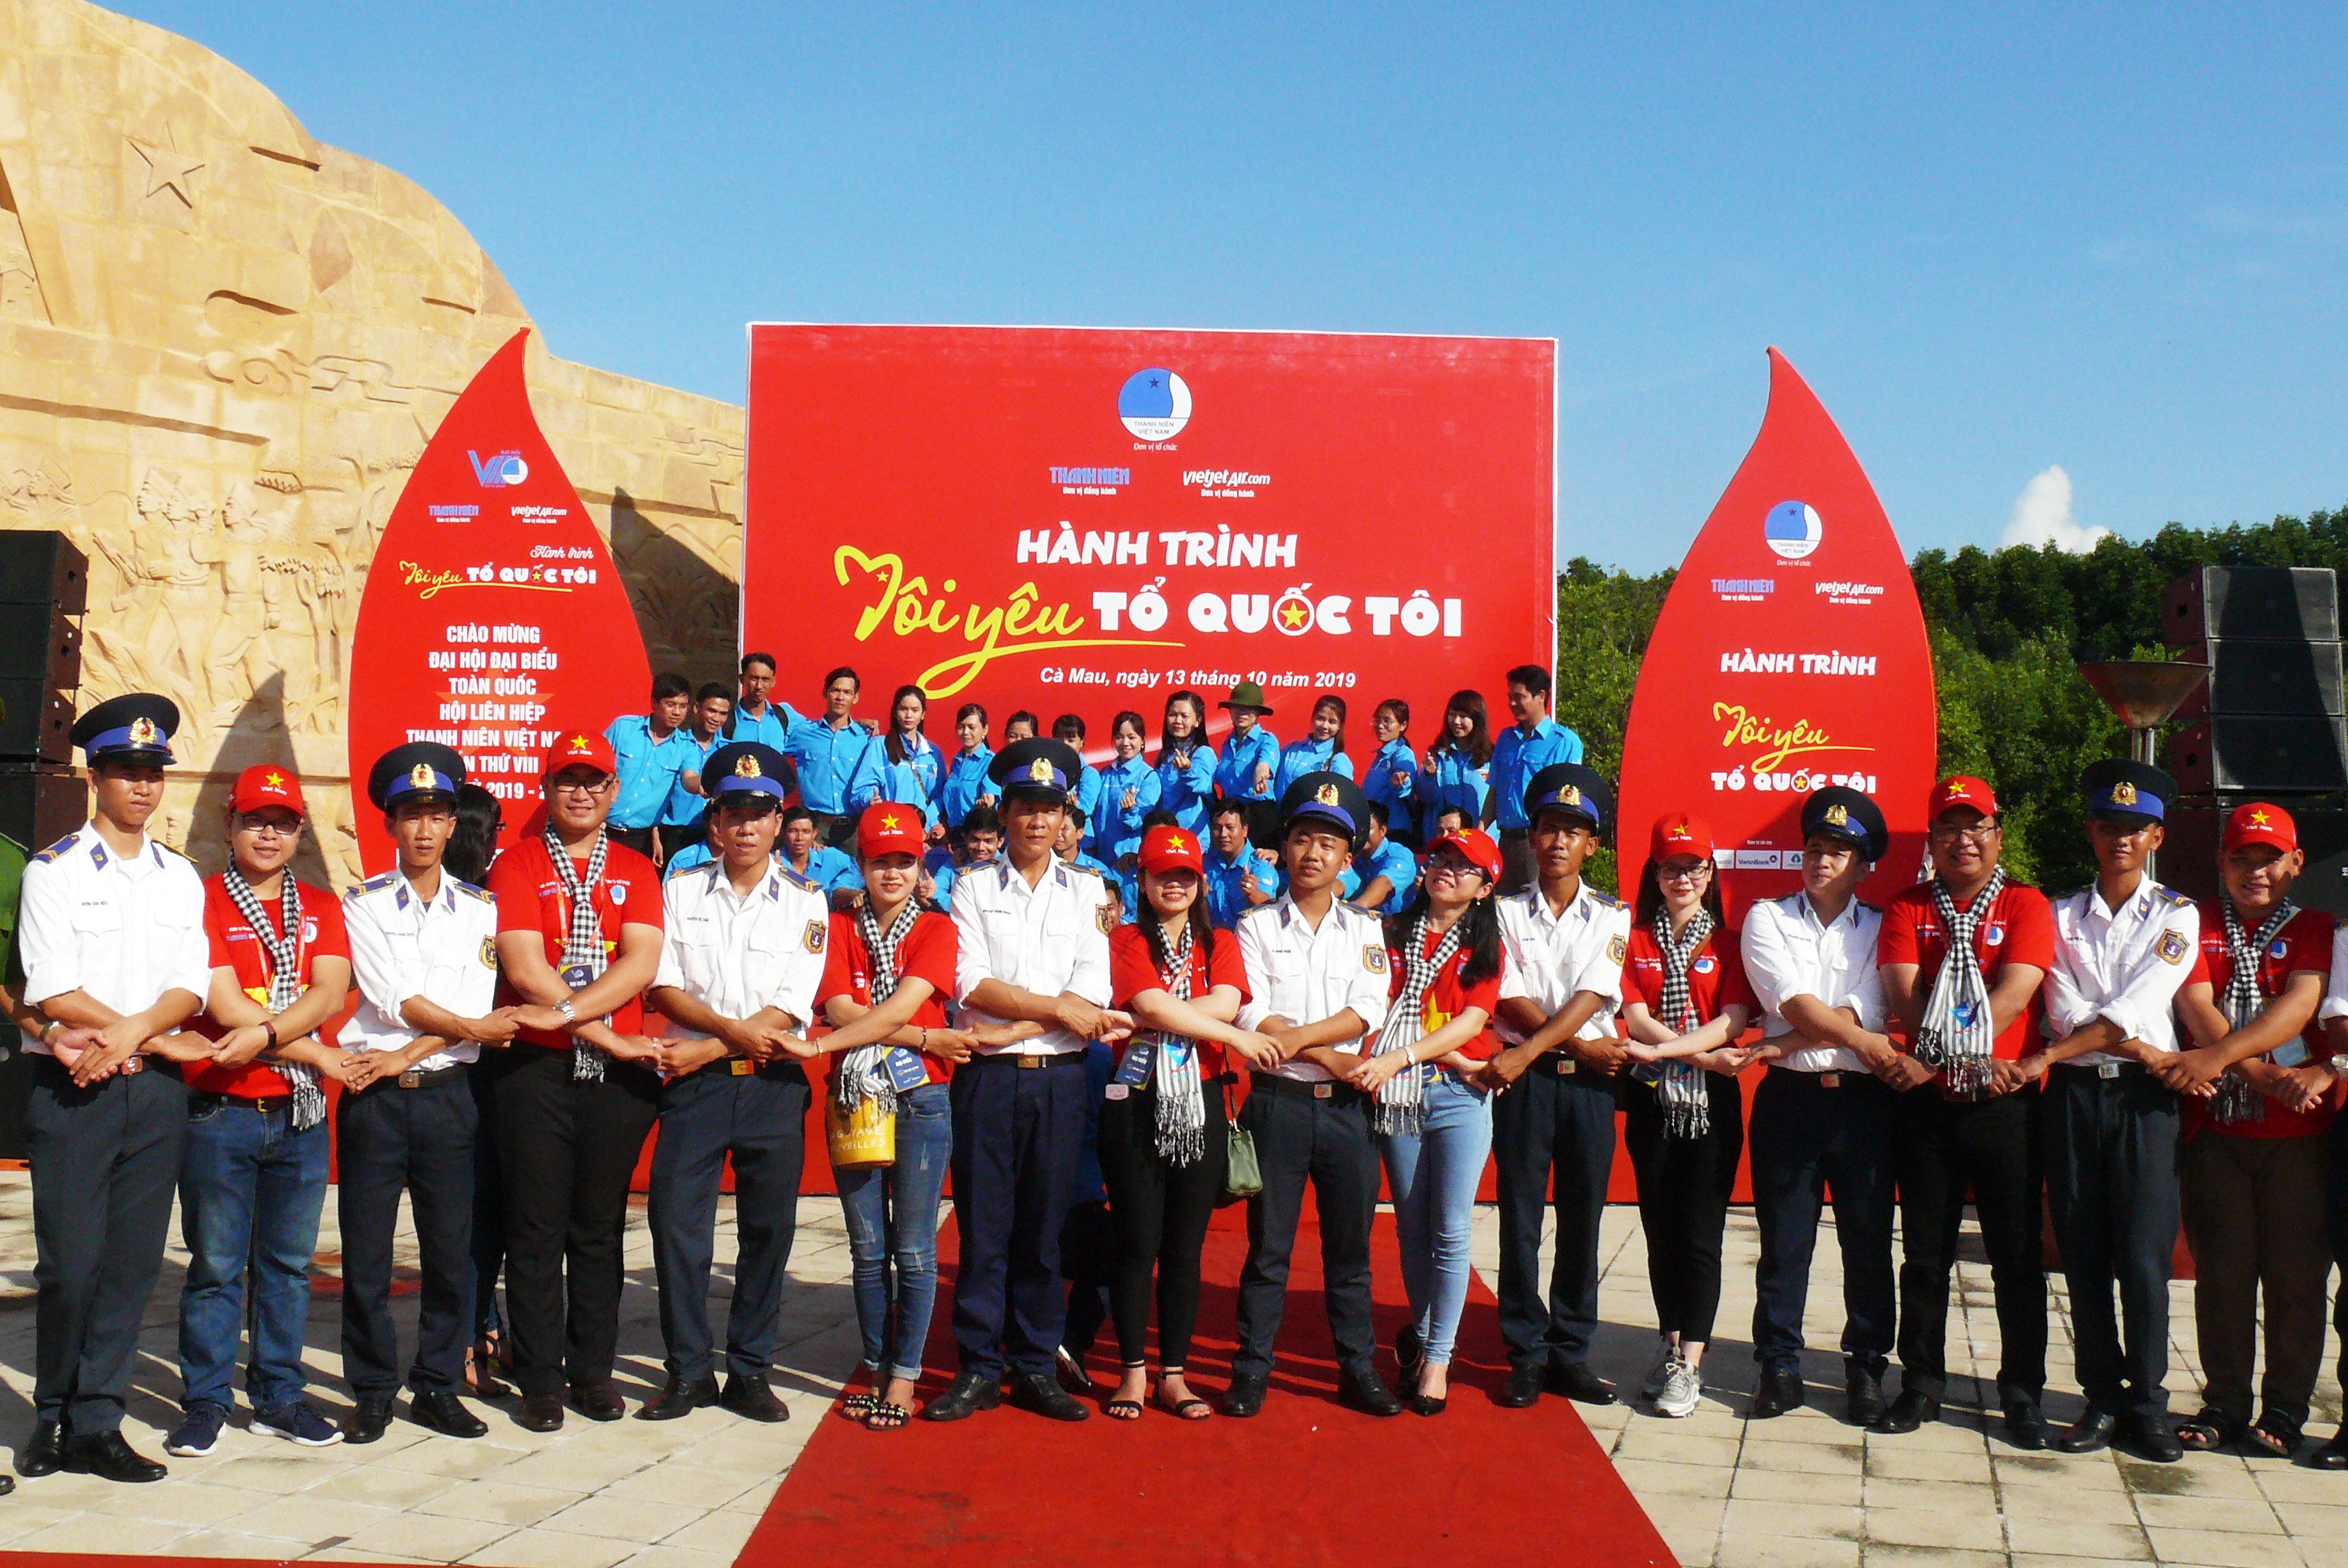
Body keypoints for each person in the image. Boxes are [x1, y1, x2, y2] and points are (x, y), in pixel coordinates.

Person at [18, 694, 213, 1484]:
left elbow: (189, 987)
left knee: (132, 1267)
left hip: (154, 1094)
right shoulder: (54, 871)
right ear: (96, 777)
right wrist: (141, 1036)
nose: (142, 786)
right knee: (70, 1265)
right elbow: (53, 990)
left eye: (153, 772)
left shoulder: (180, 877)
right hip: (76, 1093)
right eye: (127, 771)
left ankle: (98, 1420)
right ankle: (52, 1413)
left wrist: (136, 1038)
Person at [929, 736, 1129, 1422]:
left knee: (1044, 1230)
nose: (1038, 821)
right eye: (1025, 807)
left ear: (1066, 817)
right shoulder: (973, 885)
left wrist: (1037, 1017)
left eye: (1050, 809)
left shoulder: (1089, 891)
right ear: (1005, 812)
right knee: (984, 1228)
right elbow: (971, 984)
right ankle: (979, 1367)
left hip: (1061, 1080)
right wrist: (1053, 1010)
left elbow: (1093, 990)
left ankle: (1037, 1364)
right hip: (988, 1080)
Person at [166, 765, 354, 1458]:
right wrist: (311, 1049)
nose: (269, 835)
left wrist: (271, 1036)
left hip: (299, 1114)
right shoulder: (203, 900)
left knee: (288, 1265)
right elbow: (222, 1004)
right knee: (216, 1264)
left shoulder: (322, 906)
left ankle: (279, 1396)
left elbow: (328, 991)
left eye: (282, 823)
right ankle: (206, 1401)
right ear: (230, 826)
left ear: (300, 832)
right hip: (223, 1109)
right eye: (255, 821)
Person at [640, 742, 828, 1423]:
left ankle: (750, 1370)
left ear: (780, 822)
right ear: (714, 822)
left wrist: (710, 1047)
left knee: (767, 1233)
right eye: (733, 813)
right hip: (696, 1091)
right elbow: (664, 988)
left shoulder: (807, 901)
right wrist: (718, 1043)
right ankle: (688, 1372)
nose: (746, 827)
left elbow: (791, 1004)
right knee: (677, 1227)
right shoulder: (681, 890)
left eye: (760, 814)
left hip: (770, 1084)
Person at [488, 730, 668, 1430]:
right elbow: (524, 966)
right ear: (547, 789)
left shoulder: (635, 867)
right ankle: (539, 1377)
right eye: (568, 780)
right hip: (537, 1069)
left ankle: (592, 1371)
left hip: (613, 1081)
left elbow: (640, 963)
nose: (583, 793)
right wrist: (605, 1033)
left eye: (595, 781)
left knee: (598, 1228)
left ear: (614, 791)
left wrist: (569, 1015)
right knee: (535, 1228)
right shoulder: (517, 864)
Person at [337, 743, 512, 1444]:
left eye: (436, 815)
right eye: (411, 815)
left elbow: (469, 1003)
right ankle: (372, 1390)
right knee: (366, 1256)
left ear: (451, 825)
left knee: (449, 1251)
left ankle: (437, 1384)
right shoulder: (364, 904)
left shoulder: (481, 909)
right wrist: (468, 1030)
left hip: (447, 1094)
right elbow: (396, 997)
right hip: (374, 1101)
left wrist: (405, 1055)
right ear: (391, 823)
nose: (423, 829)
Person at [1875, 776, 2056, 1446]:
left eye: (1975, 827)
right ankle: (1922, 1383)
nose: (1963, 841)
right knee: (1925, 1255)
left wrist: (1936, 1057)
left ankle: (2022, 1392)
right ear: (1932, 841)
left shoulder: (2026, 903)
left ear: (1997, 835)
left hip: (2004, 1106)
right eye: (1948, 829)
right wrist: (1947, 1065)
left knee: (2017, 1258)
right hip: (1929, 1108)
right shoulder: (1908, 906)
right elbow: (1905, 997)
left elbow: (2013, 997)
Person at [2026, 759, 2197, 1462]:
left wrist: (2109, 1042)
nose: (2120, 839)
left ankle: (2148, 1405)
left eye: (2134, 828)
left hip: (2143, 1103)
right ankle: (2100, 1397)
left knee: (2145, 1258)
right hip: (2075, 1098)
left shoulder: (2177, 914)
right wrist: (2138, 1044)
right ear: (2090, 832)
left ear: (2156, 837)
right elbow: (2062, 1007)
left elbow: (2138, 1002)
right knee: (2084, 1253)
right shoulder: (2058, 913)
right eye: (2107, 826)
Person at [1225, 771, 1401, 1420]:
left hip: (1347, 1111)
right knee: (1268, 1250)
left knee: (1350, 1253)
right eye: (1302, 839)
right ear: (1284, 848)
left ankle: (1358, 1370)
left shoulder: (1364, 929)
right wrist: (1327, 1054)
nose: (1312, 854)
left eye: (1328, 844)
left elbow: (1368, 1008)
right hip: (1279, 1104)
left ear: (1347, 860)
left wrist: (1304, 1042)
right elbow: (1252, 1014)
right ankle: (1251, 1371)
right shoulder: (1254, 925)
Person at [2162, 802, 2334, 1459]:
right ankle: (2226, 1402)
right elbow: (2193, 1001)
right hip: (2219, 1131)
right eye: (2242, 858)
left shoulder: (2316, 925)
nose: (2255, 872)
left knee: (2296, 1280)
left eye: (2270, 859)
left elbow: (2300, 1005)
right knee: (2223, 1276)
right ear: (2221, 862)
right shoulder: (2196, 920)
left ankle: (2286, 1409)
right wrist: (2256, 1073)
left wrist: (2225, 1061)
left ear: (2296, 863)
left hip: (2299, 1134)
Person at [1100, 824, 1277, 1420]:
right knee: (1136, 1242)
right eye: (1161, 875)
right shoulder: (1126, 939)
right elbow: (1148, 1003)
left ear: (1200, 883)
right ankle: (1131, 1372)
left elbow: (1224, 1002)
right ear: (1143, 881)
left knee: (1184, 1246)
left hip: (1201, 1103)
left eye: (1184, 875)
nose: (1173, 885)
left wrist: (1158, 1017)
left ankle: (1173, 1375)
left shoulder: (1218, 941)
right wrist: (1230, 1037)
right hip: (1135, 1101)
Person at [815, 802, 980, 1429]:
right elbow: (836, 1008)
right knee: (866, 1249)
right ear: (861, 863)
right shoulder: (838, 925)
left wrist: (886, 1028)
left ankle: (905, 1373)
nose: (892, 873)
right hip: (854, 1092)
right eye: (881, 860)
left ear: (921, 868)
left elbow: (902, 1003)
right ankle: (874, 1364)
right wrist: (926, 1038)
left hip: (921, 1099)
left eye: (905, 861)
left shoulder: (937, 929)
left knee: (912, 1250)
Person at [1739, 786, 1901, 1426]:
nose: (1822, 860)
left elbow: (1875, 1006)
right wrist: (1857, 1039)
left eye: (1838, 852)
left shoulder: (1884, 927)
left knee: (1868, 1243)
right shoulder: (1768, 918)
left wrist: (1790, 1039)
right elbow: (1793, 1003)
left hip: (1864, 1104)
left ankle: (1866, 1369)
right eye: (1813, 848)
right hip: (1792, 1101)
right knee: (1785, 1242)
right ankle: (1779, 1367)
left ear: (1863, 866)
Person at [1479, 763, 1628, 1409]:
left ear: (1592, 845)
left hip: (1586, 1086)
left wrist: (1543, 1049)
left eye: (1573, 831)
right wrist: (1574, 1046)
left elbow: (1595, 993)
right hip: (1529, 1084)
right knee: (1519, 1216)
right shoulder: (1502, 911)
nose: (1559, 842)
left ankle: (1571, 1351)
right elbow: (1508, 996)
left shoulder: (1612, 914)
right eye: (1548, 828)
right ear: (1532, 837)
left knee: (1582, 1218)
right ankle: (1525, 1353)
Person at [1355, 828, 1504, 1417]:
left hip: (1460, 1098)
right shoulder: (1391, 933)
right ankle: (1421, 1338)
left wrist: (1410, 1055)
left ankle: (1438, 1358)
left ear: (1484, 888)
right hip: (1401, 1094)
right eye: (1441, 859)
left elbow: (1472, 1021)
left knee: (1450, 1228)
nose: (1447, 870)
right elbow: (1377, 1010)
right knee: (1412, 1227)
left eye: (1463, 867)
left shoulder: (1486, 947)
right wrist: (1425, 1059)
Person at [1617, 813, 1755, 1420]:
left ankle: (1691, 1363)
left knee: (1700, 1236)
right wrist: (1697, 1057)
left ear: (1710, 872)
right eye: (1671, 867)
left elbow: (1733, 1021)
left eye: (1694, 868)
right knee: (1660, 1230)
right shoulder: (1635, 939)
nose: (1683, 878)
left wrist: (1670, 1053)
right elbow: (1635, 1016)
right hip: (1652, 1101)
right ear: (1655, 873)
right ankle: (1670, 1346)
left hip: (1710, 1109)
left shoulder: (1728, 942)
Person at [445, 784, 514, 1400]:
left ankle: (482, 1327)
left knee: (478, 1212)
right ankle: (473, 1335)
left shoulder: (487, 895)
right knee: (481, 1214)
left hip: (480, 1066)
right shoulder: (483, 899)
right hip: (477, 1065)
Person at [1485, 666, 1584, 892]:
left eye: (1519, 697)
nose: (1512, 704)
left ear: (1541, 696)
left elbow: (1564, 802)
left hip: (1537, 843)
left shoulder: (1564, 741)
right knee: (1503, 906)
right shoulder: (1506, 739)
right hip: (1505, 842)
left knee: (1538, 903)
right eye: (1510, 697)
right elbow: (1494, 791)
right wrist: (1480, 832)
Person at [787, 666, 886, 846]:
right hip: (814, 828)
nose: (841, 697)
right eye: (836, 690)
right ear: (825, 693)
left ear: (855, 698)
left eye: (847, 693)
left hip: (853, 829)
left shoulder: (866, 739)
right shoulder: (802, 734)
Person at [605, 672, 698, 860]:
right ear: (654, 703)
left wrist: (704, 787)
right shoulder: (623, 728)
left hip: (641, 840)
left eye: (683, 706)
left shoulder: (687, 747)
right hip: (603, 829)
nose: (677, 712)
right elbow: (598, 769)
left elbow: (690, 778)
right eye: (671, 705)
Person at [660, 681, 735, 863]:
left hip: (715, 836)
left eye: (723, 714)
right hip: (675, 835)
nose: (717, 718)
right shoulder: (674, 744)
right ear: (696, 708)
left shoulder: (729, 752)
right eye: (712, 711)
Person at [1094, 710, 1160, 910]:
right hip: (1103, 863)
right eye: (1119, 737)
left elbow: (1144, 822)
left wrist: (1131, 810)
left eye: (1132, 737)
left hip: (1129, 867)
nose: (1125, 743)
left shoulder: (1149, 777)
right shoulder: (1105, 774)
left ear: (1143, 741)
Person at [1211, 681, 1281, 846]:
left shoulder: (1267, 740)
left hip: (1258, 815)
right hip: (1231, 813)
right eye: (1237, 707)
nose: (1241, 713)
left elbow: (1265, 764)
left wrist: (1260, 775)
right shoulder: (1228, 742)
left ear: (1257, 713)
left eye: (1248, 709)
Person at [1420, 690, 1492, 846]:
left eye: (1463, 716)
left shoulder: (1491, 757)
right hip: (1444, 843)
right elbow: (1425, 798)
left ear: (1477, 719)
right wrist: (1429, 775)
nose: (1456, 721)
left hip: (1480, 842)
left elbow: (1496, 800)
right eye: (1452, 715)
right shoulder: (1437, 754)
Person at [1203, 797, 1280, 928]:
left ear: (1245, 830)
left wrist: (1252, 893)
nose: (1223, 834)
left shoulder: (1260, 864)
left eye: (1230, 828)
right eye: (1217, 828)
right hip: (1214, 937)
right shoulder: (1205, 862)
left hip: (1248, 938)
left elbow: (1270, 907)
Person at [877, 684, 945, 833]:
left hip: (923, 832)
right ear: (895, 712)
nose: (908, 715)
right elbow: (864, 787)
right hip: (891, 828)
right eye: (903, 709)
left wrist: (925, 821)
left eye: (915, 710)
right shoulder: (879, 746)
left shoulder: (933, 752)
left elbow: (940, 796)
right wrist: (869, 799)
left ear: (923, 714)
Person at [1341, 800, 1419, 916]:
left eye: (1368, 829)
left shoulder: (1400, 855)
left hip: (1404, 923)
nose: (1362, 834)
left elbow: (1385, 883)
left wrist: (1355, 909)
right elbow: (1344, 882)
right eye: (1358, 828)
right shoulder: (1358, 859)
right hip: (1369, 922)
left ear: (1383, 831)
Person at [1155, 690, 1216, 835]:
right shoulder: (1164, 756)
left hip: (1193, 837)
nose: (1178, 721)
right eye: (1172, 715)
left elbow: (1203, 785)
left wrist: (1188, 769)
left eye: (1184, 716)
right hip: (1165, 834)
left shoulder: (1204, 753)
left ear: (1197, 721)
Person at [1273, 694, 1354, 798]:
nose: (1325, 726)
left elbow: (1343, 799)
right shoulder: (1291, 749)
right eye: (1321, 719)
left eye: (1332, 722)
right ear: (1312, 718)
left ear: (1340, 726)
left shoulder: (1338, 761)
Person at [1363, 700, 1420, 847]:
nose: (1380, 726)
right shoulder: (1381, 756)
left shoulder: (1403, 753)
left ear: (1403, 726)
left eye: (1387, 721)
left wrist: (1400, 780)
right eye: (1378, 720)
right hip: (1377, 829)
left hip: (1394, 832)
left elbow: (1405, 782)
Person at [928, 805, 1001, 911]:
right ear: (965, 838)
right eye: (975, 840)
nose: (981, 848)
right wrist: (963, 907)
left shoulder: (1009, 867)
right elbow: (936, 892)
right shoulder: (955, 863)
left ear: (1000, 841)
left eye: (988, 841)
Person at [724, 651, 800, 748]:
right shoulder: (726, 721)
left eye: (765, 679)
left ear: (773, 682)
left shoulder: (783, 716)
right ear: (742, 679)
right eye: (754, 678)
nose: (759, 686)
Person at [939, 703, 996, 829]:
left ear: (985, 730)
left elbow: (990, 795)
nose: (965, 732)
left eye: (971, 727)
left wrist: (987, 801)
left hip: (975, 832)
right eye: (961, 727)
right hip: (952, 832)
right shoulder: (956, 762)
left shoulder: (990, 761)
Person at [1052, 714, 1105, 831]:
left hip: (1082, 837)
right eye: (1060, 739)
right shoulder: (1048, 771)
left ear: (1082, 742)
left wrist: (1076, 805)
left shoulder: (1089, 774)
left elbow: (1087, 808)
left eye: (1071, 740)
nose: (1065, 744)